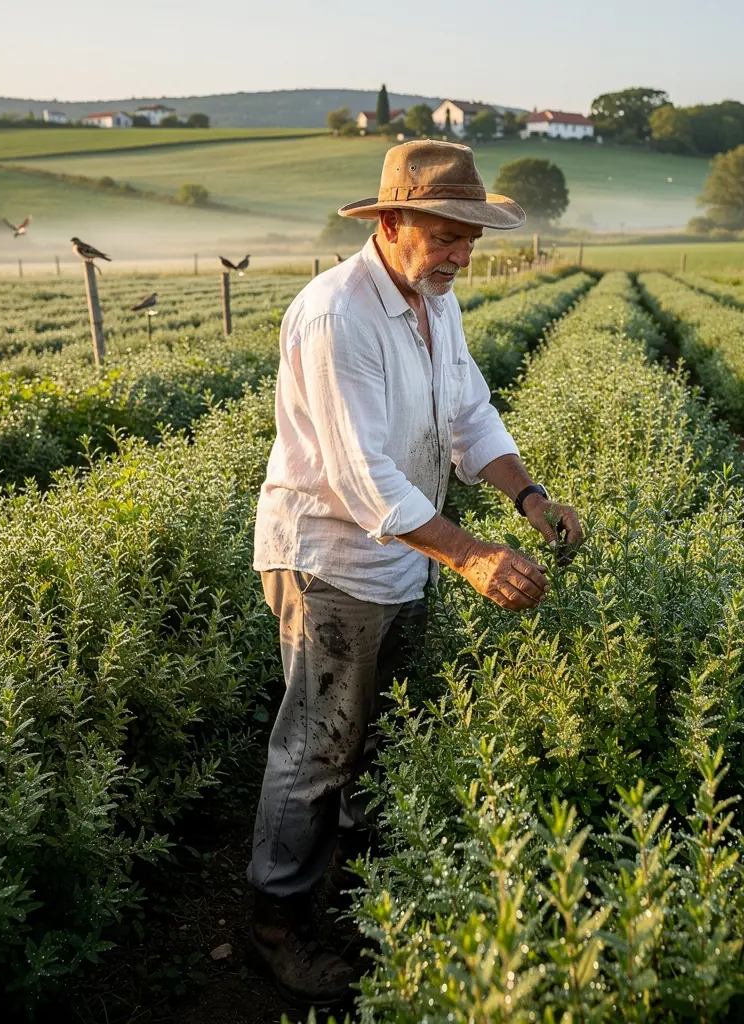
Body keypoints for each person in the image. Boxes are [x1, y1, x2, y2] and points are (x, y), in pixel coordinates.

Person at [248, 140, 584, 1005]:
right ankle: (277, 928)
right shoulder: (337, 316)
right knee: (317, 747)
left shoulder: (439, 303)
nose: (463, 253)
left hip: (402, 556)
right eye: (446, 234)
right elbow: (363, 481)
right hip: (331, 560)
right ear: (391, 223)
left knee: (374, 734)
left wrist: (528, 498)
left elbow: (468, 412)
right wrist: (471, 557)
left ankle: (362, 896)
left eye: (470, 237)